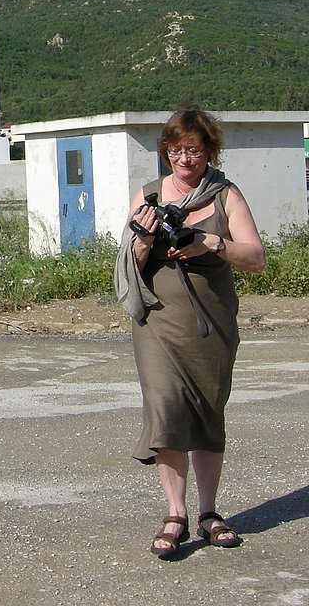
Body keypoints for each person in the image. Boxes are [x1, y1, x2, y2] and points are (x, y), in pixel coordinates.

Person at [115, 104, 265, 559]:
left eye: (194, 151)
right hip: (158, 322)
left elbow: (255, 258)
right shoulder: (147, 196)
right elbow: (127, 264)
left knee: (206, 412)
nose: (185, 160)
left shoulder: (224, 194)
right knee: (166, 409)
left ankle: (209, 512)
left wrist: (210, 243)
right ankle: (175, 513)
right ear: (166, 152)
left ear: (209, 151)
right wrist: (142, 241)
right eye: (176, 151)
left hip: (211, 324)